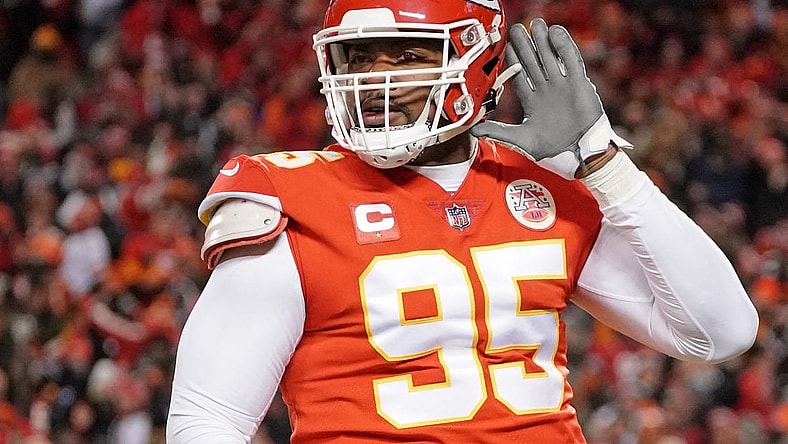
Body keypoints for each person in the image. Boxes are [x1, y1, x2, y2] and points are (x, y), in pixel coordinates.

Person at [166, 0, 759, 442]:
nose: (376, 78)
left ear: (481, 61)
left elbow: (719, 332)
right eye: (359, 57)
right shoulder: (288, 195)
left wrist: (604, 163)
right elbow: (208, 418)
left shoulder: (542, 186)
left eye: (407, 54)